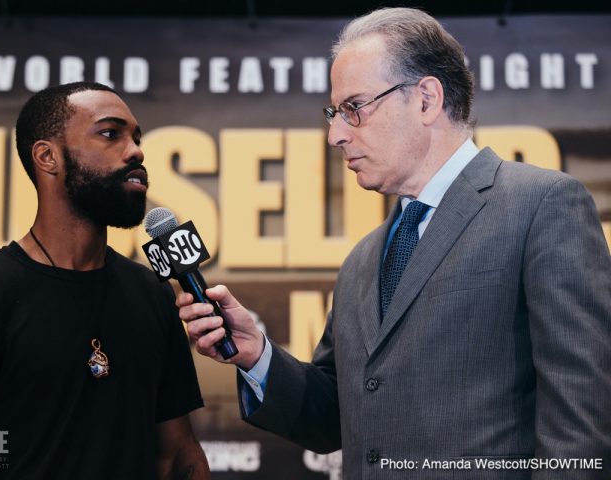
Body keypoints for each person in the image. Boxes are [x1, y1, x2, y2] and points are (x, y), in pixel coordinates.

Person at [177, 7, 611, 479]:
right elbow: (335, 417)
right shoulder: (363, 258)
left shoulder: (541, 205)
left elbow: (580, 417)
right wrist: (258, 354)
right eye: (334, 113)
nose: (335, 135)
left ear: (425, 99)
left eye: (353, 109)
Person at [0, 82, 210, 479]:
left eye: (137, 137)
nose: (137, 150)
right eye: (110, 133)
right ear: (47, 156)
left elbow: (177, 456)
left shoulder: (153, 293)